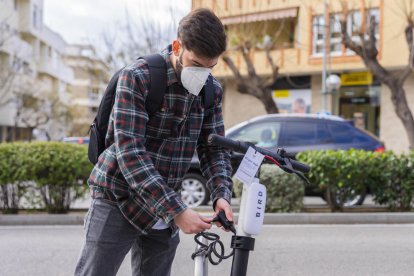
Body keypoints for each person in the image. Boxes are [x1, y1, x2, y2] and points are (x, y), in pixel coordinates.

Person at [75, 8, 233, 276]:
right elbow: (130, 152)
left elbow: (213, 148)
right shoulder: (138, 77)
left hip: (163, 207)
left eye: (211, 67)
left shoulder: (211, 90)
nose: (203, 74)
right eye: (196, 64)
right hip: (118, 196)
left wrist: (221, 194)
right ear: (177, 46)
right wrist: (178, 210)